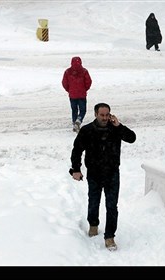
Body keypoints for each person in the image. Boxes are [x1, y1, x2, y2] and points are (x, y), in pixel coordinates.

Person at [69, 103, 136, 251]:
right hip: (94, 173)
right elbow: (77, 150)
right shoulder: (87, 130)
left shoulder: (116, 129)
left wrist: (119, 126)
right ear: (95, 114)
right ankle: (93, 224)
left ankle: (110, 236)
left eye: (107, 115)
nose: (105, 118)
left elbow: (132, 138)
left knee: (112, 206)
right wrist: (76, 169)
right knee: (94, 201)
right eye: (102, 115)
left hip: (112, 173)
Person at [62, 56, 92, 133]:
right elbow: (88, 82)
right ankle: (78, 121)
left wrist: (69, 90)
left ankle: (75, 123)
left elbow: (64, 83)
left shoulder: (68, 72)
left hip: (72, 95)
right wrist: (85, 89)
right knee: (83, 110)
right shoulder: (84, 71)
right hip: (82, 94)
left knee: (74, 110)